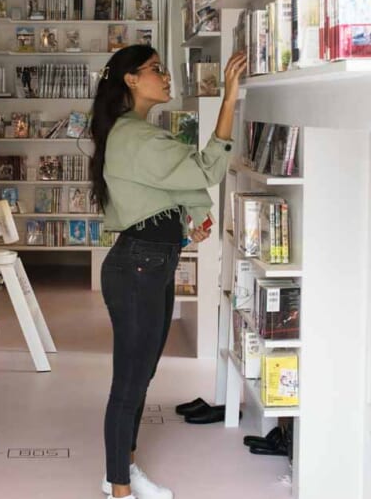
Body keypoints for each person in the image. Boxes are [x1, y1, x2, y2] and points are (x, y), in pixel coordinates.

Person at [90, 45, 245, 499]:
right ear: (130, 80)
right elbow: (206, 169)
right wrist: (229, 100)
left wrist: (184, 225)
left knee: (140, 377)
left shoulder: (136, 133)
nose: (165, 76)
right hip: (138, 267)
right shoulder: (135, 136)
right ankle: (119, 488)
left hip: (148, 262)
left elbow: (163, 191)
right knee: (129, 382)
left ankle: (122, 470)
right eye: (155, 69)